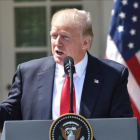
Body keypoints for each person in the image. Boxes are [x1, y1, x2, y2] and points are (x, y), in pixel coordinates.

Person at [0, 8, 133, 132]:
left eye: (65, 37)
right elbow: (10, 112)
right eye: (54, 35)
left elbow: (121, 126)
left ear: (85, 43)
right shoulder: (28, 73)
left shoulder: (113, 75)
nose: (57, 42)